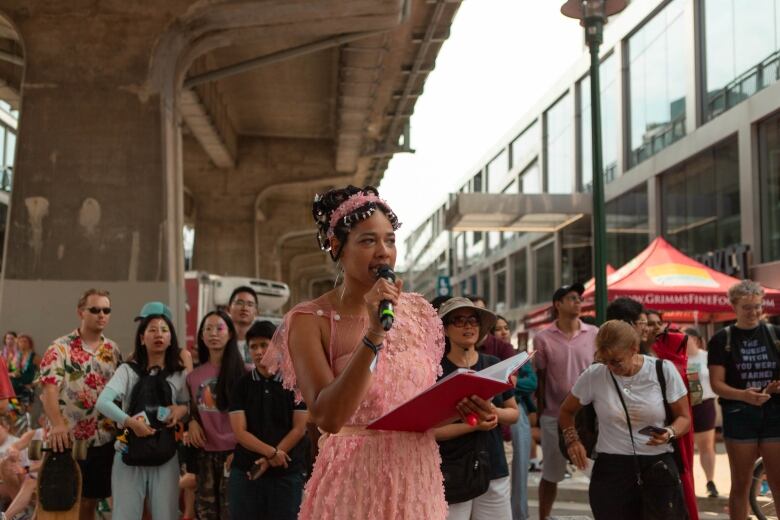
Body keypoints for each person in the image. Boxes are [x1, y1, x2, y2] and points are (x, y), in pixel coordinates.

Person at [262, 185, 449, 519]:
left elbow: (425, 408)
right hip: (353, 485)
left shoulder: (419, 313)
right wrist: (374, 333)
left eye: (389, 240)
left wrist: (466, 407)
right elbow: (328, 417)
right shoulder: (310, 320)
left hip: (418, 479)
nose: (383, 252)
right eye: (367, 241)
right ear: (336, 247)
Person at [560, 320, 690, 519]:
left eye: (616, 361)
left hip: (657, 467)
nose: (611, 367)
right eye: (605, 361)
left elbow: (684, 418)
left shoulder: (663, 371)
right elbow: (566, 411)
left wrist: (669, 432)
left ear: (633, 349)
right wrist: (572, 440)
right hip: (612, 469)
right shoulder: (595, 375)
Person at [607, 297, 699, 520]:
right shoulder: (603, 366)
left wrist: (670, 430)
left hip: (663, 449)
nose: (650, 328)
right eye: (645, 323)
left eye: (656, 323)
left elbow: (693, 399)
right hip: (619, 458)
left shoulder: (669, 353)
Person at [95, 304, 189, 520]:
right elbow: (103, 402)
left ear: (171, 338)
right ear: (141, 338)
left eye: (164, 330)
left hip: (166, 454)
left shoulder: (180, 374)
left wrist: (182, 408)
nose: (159, 334)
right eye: (152, 330)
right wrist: (129, 422)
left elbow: (188, 406)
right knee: (125, 515)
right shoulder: (127, 370)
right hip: (128, 453)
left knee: (166, 515)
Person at [39, 288, 122, 520]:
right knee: (60, 503)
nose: (101, 315)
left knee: (89, 502)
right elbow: (48, 389)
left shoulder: (113, 350)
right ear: (81, 312)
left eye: (106, 310)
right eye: (94, 310)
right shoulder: (59, 348)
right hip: (67, 441)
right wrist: (57, 424)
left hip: (104, 438)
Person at [435, 299, 519, 519]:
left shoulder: (493, 364)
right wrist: (473, 425)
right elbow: (431, 430)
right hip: (451, 470)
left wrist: (493, 412)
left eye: (473, 321)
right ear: (445, 328)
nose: (468, 326)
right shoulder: (435, 370)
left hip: (494, 466)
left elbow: (513, 413)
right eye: (459, 321)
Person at [708, 279, 780, 520]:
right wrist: (745, 396)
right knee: (741, 483)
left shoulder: (775, 334)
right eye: (747, 307)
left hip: (774, 414)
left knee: (779, 484)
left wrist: (773, 388)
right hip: (739, 415)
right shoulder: (722, 339)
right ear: (734, 307)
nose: (754, 312)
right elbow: (716, 384)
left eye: (757, 306)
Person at [228, 320, 308, 519]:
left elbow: (299, 428)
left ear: (278, 346)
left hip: (286, 473)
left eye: (264, 345)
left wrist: (268, 460)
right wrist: (272, 453)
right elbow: (240, 432)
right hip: (247, 472)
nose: (258, 351)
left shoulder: (295, 382)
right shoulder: (241, 385)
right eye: (253, 346)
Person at [533, 283, 597, 520]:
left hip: (588, 416)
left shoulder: (594, 333)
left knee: (595, 471)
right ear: (557, 304)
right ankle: (543, 517)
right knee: (551, 473)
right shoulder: (542, 338)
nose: (578, 301)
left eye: (579, 298)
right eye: (572, 298)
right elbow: (540, 379)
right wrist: (538, 419)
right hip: (553, 416)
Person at [187, 310, 246, 520]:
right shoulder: (194, 377)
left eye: (219, 328)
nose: (213, 333)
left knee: (233, 513)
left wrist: (242, 449)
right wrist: (192, 422)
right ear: (201, 336)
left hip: (236, 455)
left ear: (230, 333)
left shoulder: (245, 373)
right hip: (205, 457)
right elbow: (192, 411)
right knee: (205, 513)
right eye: (208, 329)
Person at [493, 315, 536, 520]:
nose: (503, 332)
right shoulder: (487, 357)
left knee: (520, 472)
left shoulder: (519, 357)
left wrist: (512, 384)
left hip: (516, 413)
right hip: (496, 415)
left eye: (505, 328)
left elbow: (531, 383)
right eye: (498, 329)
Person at [684, 327, 719, 498]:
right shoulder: (678, 358)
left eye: (687, 337)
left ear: (697, 339)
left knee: (706, 446)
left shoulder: (707, 357)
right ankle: (688, 484)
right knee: (686, 447)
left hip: (704, 403)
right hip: (684, 405)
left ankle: (710, 481)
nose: (684, 341)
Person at [227, 286, 259, 364]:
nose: (244, 308)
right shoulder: (221, 341)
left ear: (256, 312)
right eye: (239, 303)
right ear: (228, 309)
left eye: (250, 304)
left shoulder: (262, 343)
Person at [10, 335, 37, 405]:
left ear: (30, 344)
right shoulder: (15, 356)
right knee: (14, 407)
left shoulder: (35, 357)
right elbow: (8, 371)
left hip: (26, 388)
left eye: (25, 341)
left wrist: (33, 384)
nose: (22, 343)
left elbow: (42, 372)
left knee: (26, 407)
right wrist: (12, 373)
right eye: (20, 341)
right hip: (14, 388)